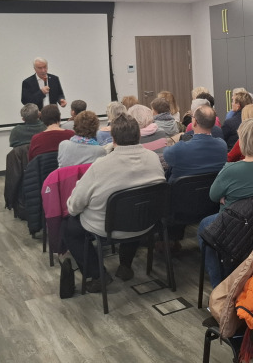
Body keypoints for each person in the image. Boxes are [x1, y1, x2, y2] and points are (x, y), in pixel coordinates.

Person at [63, 114, 165, 291]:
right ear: (138, 135)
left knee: (69, 227)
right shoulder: (153, 158)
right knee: (135, 206)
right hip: (146, 223)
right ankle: (125, 265)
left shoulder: (100, 165)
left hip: (108, 229)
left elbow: (74, 207)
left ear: (113, 138)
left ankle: (97, 275)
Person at [199, 118, 253, 287]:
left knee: (204, 226)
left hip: (237, 229)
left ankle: (220, 285)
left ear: (242, 142)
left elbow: (213, 195)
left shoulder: (231, 170)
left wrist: (225, 196)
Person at [163, 105, 227, 181]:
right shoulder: (222, 146)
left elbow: (166, 154)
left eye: (192, 117)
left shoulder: (179, 149)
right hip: (212, 187)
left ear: (195, 122)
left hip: (182, 188)